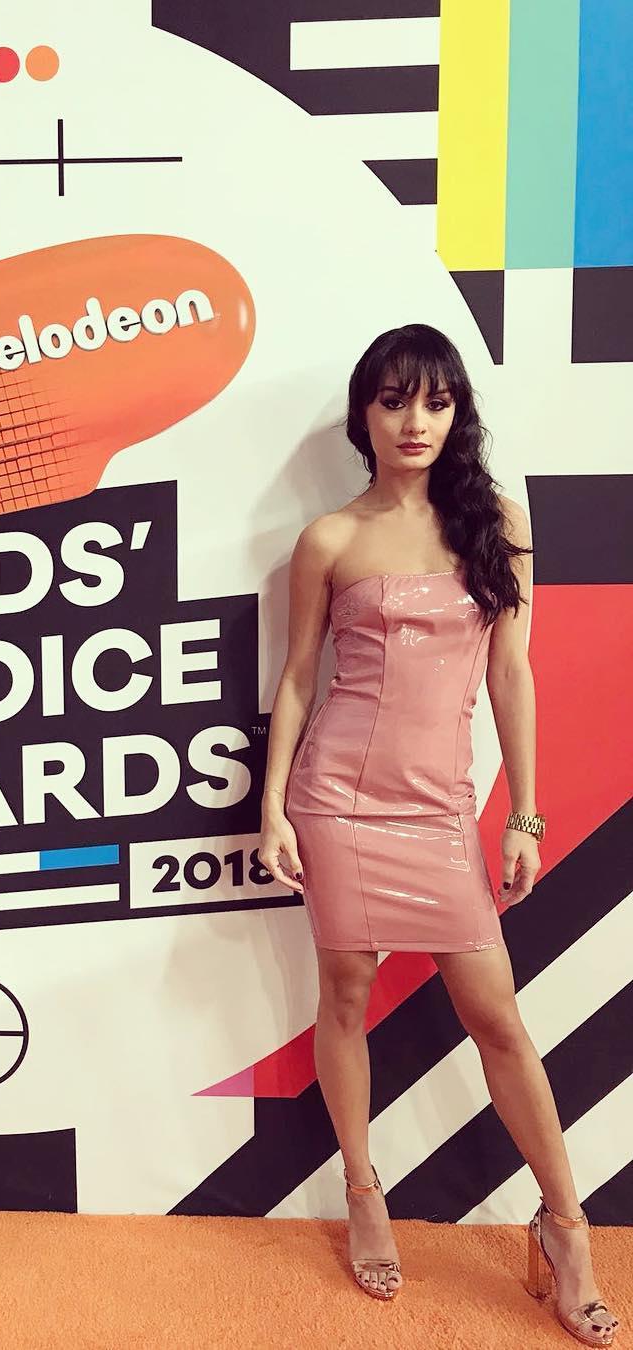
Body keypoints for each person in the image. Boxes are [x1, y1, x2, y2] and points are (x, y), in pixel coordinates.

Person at [257, 324, 620, 1345]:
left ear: (458, 415)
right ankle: (362, 1191)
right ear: (363, 416)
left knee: (498, 1021)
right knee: (344, 995)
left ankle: (566, 1229)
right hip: (337, 800)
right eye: (393, 400)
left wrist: (524, 815)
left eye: (436, 401)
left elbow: (512, 673)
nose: (414, 421)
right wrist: (274, 806)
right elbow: (298, 679)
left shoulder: (498, 524)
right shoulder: (329, 539)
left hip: (439, 811)